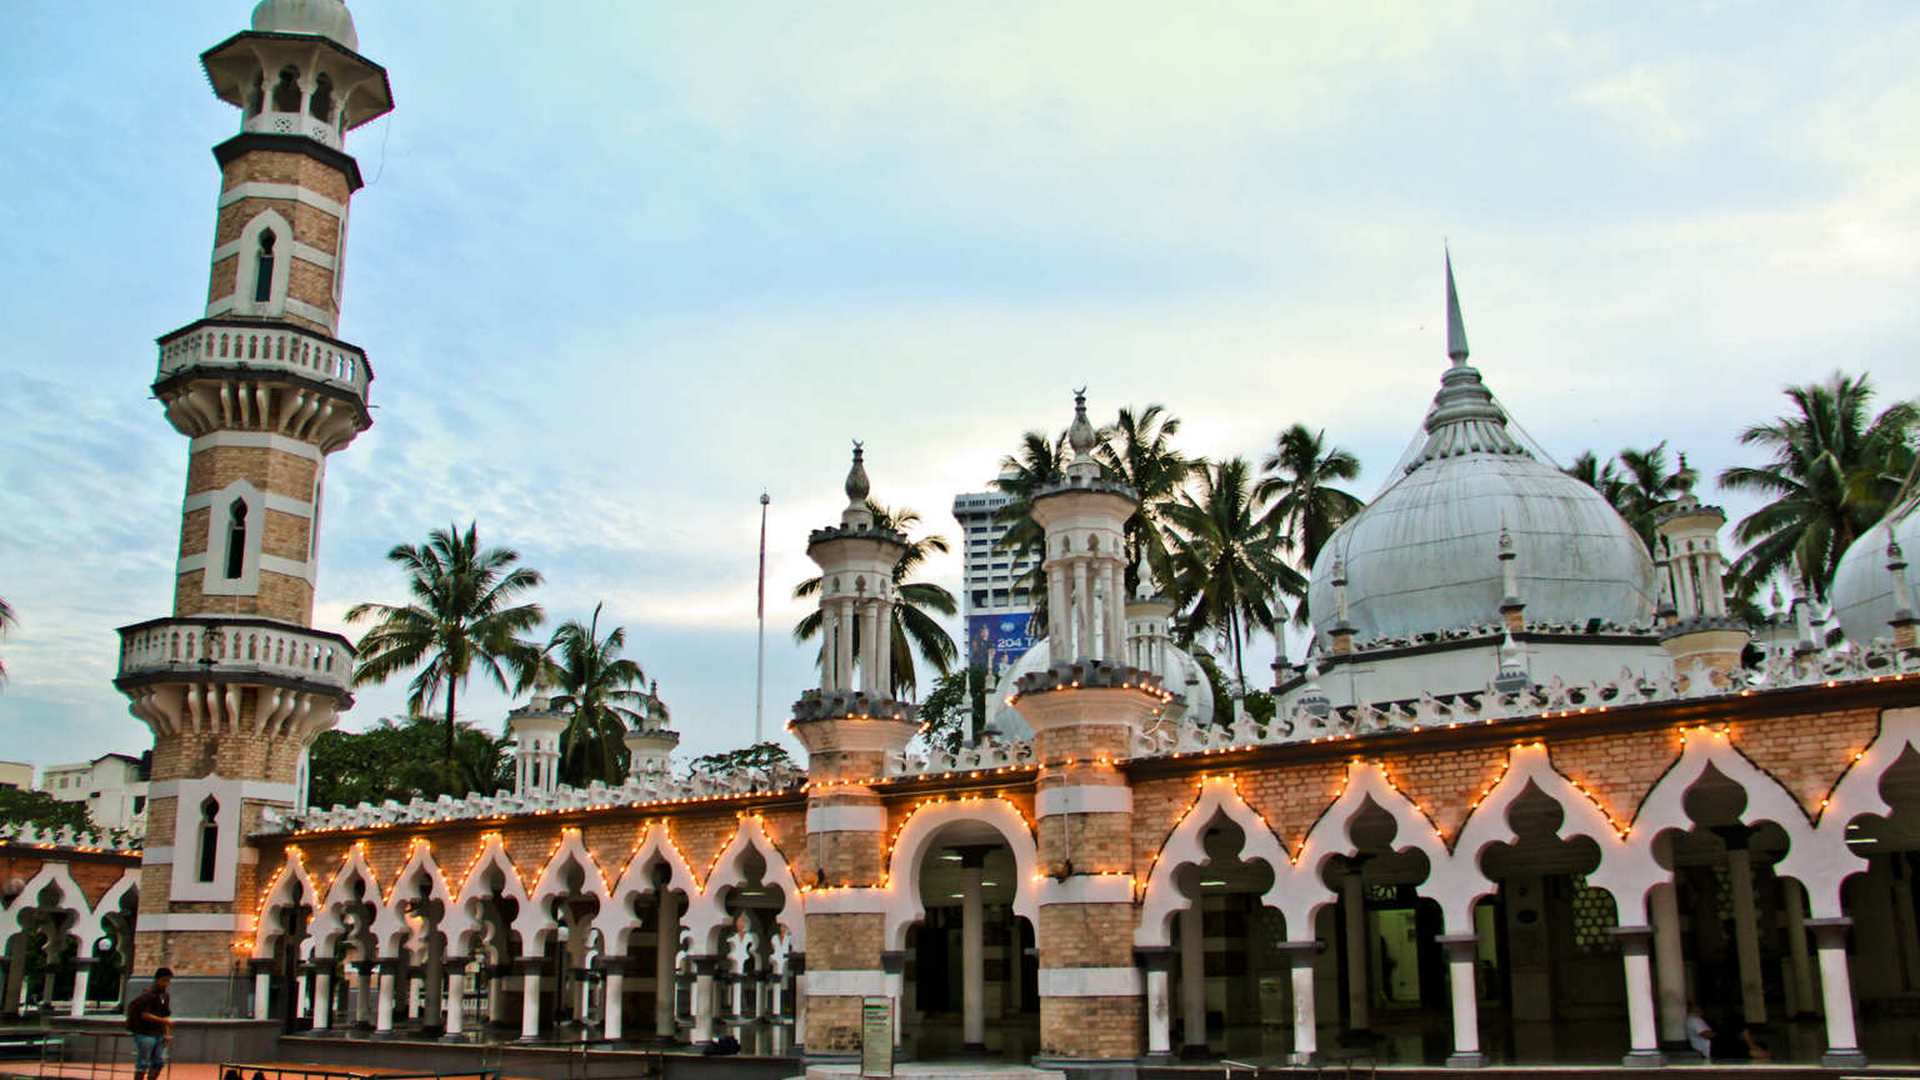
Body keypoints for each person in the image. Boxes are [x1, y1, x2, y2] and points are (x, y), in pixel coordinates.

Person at [126, 967, 174, 1080]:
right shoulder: (148, 995)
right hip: (145, 1033)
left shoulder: (165, 996)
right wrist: (164, 1021)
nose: (166, 984)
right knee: (143, 1063)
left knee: (158, 1062)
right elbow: (145, 1014)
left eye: (168, 981)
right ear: (157, 980)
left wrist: (167, 1033)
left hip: (159, 1033)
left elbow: (166, 1014)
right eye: (164, 980)